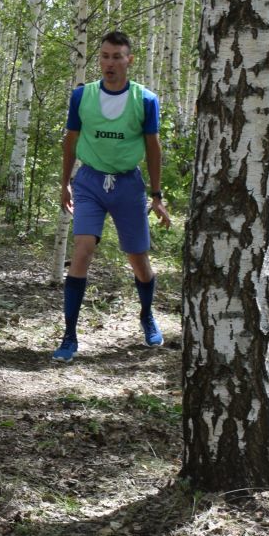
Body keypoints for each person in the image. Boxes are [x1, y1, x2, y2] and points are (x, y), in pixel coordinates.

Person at [51, 30, 172, 361]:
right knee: (82, 250)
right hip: (89, 182)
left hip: (127, 184)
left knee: (138, 259)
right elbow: (71, 139)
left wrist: (156, 194)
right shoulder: (83, 96)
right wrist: (65, 183)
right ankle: (69, 336)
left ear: (129, 60)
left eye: (117, 57)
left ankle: (147, 314)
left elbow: (153, 147)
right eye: (104, 56)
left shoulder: (145, 100)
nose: (110, 63)